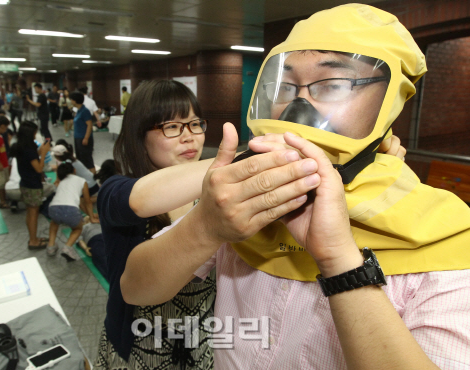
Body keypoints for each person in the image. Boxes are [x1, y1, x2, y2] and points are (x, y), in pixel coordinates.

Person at [121, 4, 470, 370]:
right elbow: (137, 288)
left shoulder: (443, 237)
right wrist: (205, 225)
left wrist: (339, 261)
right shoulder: (247, 195)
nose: (297, 106)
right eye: (285, 86)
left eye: (333, 85)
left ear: (390, 102)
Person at [94, 80, 214, 370]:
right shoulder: (116, 189)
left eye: (194, 124)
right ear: (140, 135)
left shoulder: (209, 195)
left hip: (203, 343)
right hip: (141, 345)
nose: (189, 138)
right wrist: (246, 164)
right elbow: (141, 200)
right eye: (172, 127)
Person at [46, 161, 98, 260]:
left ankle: (51, 246)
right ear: (74, 170)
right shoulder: (82, 181)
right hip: (70, 210)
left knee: (54, 223)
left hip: (53, 208)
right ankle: (67, 247)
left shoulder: (62, 181)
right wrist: (91, 217)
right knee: (77, 229)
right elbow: (87, 202)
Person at [15, 121, 51, 250]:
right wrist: (45, 153)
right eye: (35, 132)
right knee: (33, 213)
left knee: (30, 212)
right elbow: (39, 169)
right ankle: (33, 241)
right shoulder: (28, 150)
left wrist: (40, 151)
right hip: (32, 185)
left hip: (25, 183)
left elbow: (31, 161)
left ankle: (33, 237)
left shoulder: (21, 146)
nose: (36, 134)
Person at [6, 143, 55, 213]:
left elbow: (10, 174)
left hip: (10, 190)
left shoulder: (13, 159)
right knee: (51, 187)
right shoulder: (31, 159)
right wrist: (43, 154)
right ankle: (41, 203)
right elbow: (39, 172)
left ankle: (14, 202)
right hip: (26, 191)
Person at [69, 92, 95, 174]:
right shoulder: (79, 110)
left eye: (71, 99)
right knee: (80, 158)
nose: (70, 101)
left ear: (75, 101)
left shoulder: (85, 111)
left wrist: (86, 138)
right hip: (78, 138)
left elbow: (89, 125)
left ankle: (94, 178)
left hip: (83, 138)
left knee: (87, 159)